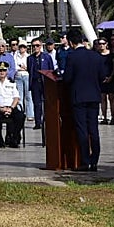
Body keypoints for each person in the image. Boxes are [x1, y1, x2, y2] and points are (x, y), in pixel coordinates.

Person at [62, 32, 103, 171]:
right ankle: (95, 161)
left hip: (78, 97)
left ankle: (85, 161)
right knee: (93, 129)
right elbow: (102, 75)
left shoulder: (72, 56)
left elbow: (67, 78)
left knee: (82, 129)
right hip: (94, 96)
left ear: (71, 43)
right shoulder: (95, 55)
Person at [27, 38, 54, 130]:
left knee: (47, 102)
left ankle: (47, 120)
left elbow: (51, 69)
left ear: (41, 46)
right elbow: (29, 70)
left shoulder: (47, 57)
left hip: (44, 82)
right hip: (35, 82)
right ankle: (38, 122)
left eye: (37, 45)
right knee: (36, 103)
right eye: (34, 46)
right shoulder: (30, 58)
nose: (35, 47)